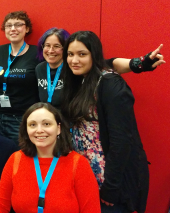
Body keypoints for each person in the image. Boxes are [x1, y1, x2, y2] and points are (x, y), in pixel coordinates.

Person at [61, 31, 151, 212]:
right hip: (85, 175)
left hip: (108, 181)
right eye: (70, 54)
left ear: (94, 55)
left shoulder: (110, 83)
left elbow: (121, 141)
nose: (74, 60)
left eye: (82, 54)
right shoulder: (80, 80)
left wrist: (111, 188)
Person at [0, 102, 100, 213]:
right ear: (26, 130)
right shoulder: (16, 160)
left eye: (46, 124)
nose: (39, 130)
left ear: (58, 128)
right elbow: (0, 206)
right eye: (32, 125)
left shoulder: (78, 164)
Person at [35, 27, 166, 109]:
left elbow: (110, 63)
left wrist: (140, 63)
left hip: (71, 129)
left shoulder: (74, 67)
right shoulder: (40, 69)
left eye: (57, 46)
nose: (51, 50)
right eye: (47, 45)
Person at [0, 11, 40, 143]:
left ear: (27, 29)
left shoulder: (36, 53)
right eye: (9, 25)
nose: (13, 29)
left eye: (18, 25)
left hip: (23, 117)